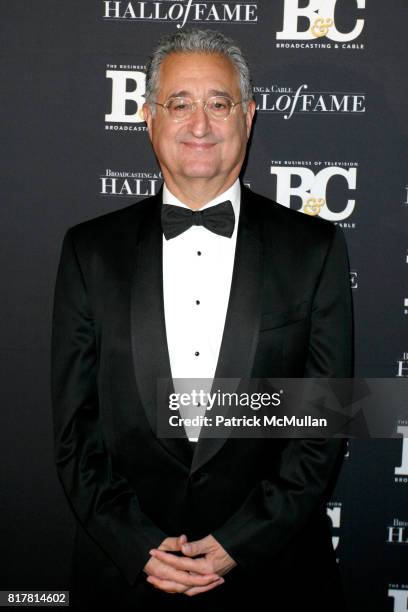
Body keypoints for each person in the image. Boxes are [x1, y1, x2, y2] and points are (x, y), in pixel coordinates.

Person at [51, 29, 353, 611]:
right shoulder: (90, 252)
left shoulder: (315, 249)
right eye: (180, 104)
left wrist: (238, 542)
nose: (200, 124)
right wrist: (139, 546)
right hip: (126, 577)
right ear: (148, 118)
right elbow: (74, 432)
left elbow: (325, 424)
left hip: (274, 576)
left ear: (248, 116)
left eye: (219, 103)